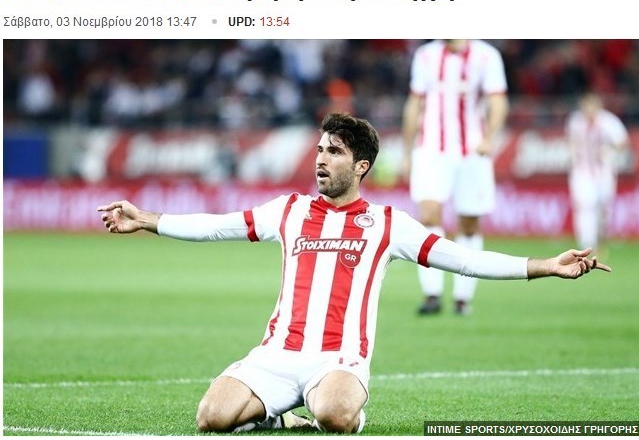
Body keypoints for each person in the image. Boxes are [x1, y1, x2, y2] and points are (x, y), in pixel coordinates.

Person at [98, 112, 609, 434]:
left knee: (336, 417)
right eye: (320, 149)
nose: (321, 160)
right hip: (276, 354)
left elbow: (464, 259)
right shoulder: (289, 210)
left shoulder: (388, 223)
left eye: (335, 152)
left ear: (361, 166)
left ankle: (329, 409)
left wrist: (546, 266)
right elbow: (217, 226)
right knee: (210, 418)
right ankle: (278, 415)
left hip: (339, 358)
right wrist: (148, 219)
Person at [401, 39, 509, 315]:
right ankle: (432, 294)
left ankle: (462, 297)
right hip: (430, 150)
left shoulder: (486, 56)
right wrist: (407, 151)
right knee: (428, 215)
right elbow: (414, 103)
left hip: (472, 151)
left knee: (469, 224)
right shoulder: (426, 55)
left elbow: (498, 102)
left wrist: (489, 138)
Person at [566, 92, 630, 255]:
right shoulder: (575, 121)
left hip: (604, 171)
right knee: (585, 205)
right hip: (582, 171)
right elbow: (571, 142)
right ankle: (587, 243)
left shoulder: (608, 121)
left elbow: (623, 141)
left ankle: (601, 238)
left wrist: (609, 150)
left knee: (604, 206)